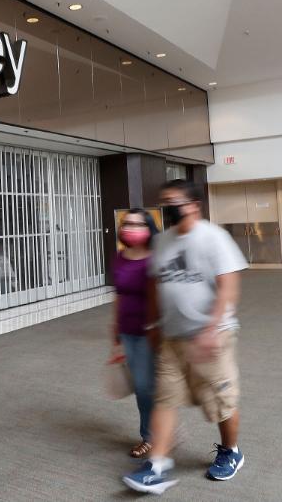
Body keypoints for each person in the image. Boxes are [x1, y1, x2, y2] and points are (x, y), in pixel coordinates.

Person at [122, 179, 248, 495]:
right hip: (172, 338)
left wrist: (211, 328)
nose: (167, 208)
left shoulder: (214, 238)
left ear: (193, 205)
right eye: (163, 202)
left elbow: (228, 287)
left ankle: (231, 451)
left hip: (211, 337)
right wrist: (152, 325)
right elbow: (153, 284)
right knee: (164, 399)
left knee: (220, 401)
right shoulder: (162, 241)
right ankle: (158, 465)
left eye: (173, 202)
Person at [111, 208, 159, 459]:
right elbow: (118, 295)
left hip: (151, 333)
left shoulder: (156, 258)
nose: (128, 227)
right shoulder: (120, 256)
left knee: (145, 386)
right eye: (125, 223)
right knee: (142, 387)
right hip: (128, 331)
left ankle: (153, 436)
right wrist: (115, 332)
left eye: (135, 223)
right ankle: (154, 433)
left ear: (148, 227)